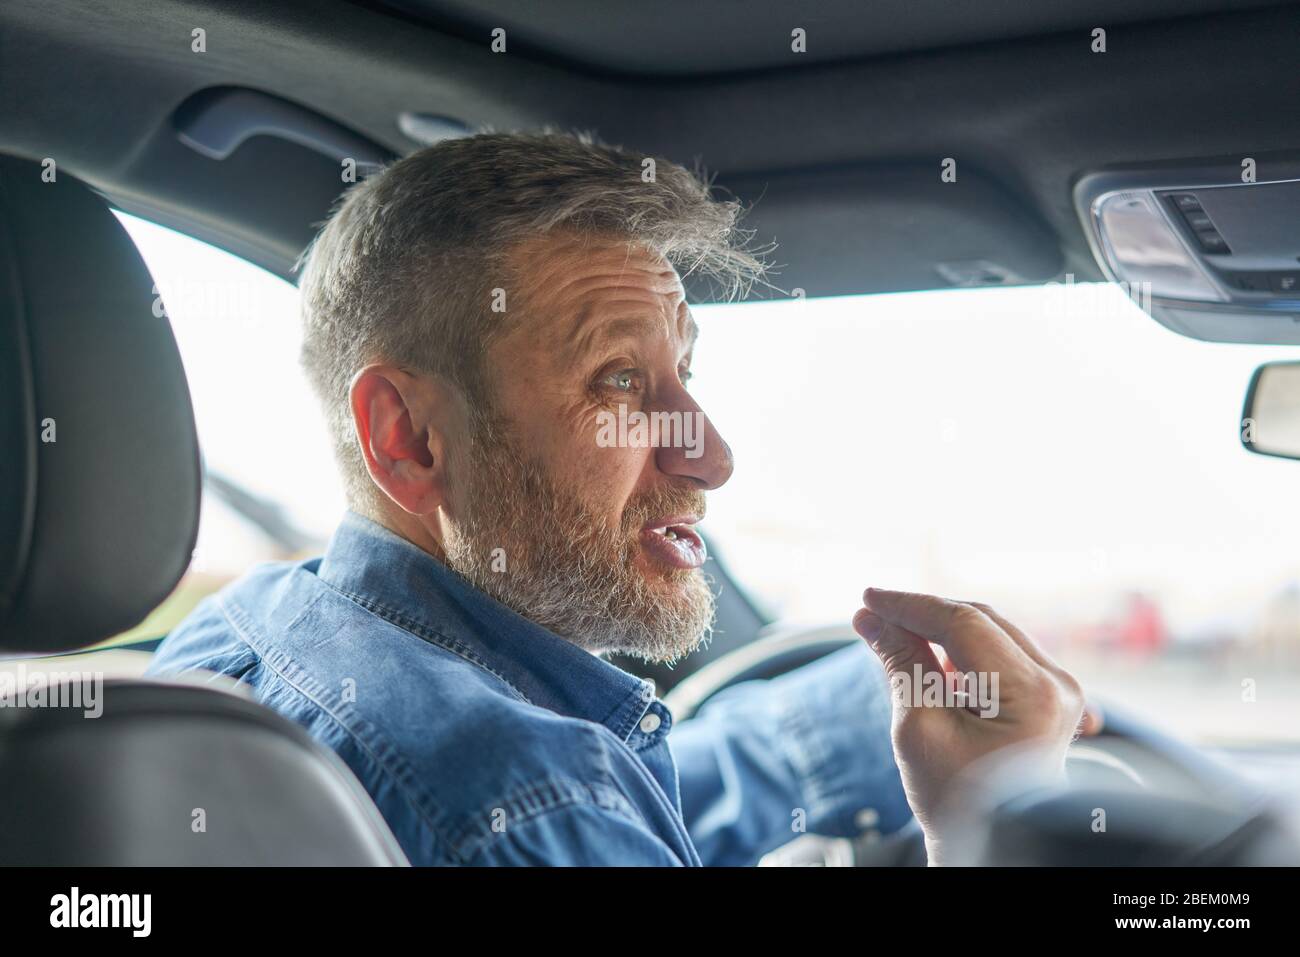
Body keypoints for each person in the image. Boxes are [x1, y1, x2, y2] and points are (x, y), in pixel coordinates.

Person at [147, 131, 1092, 865]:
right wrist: (982, 825)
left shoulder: (243, 635)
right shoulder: (534, 801)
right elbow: (546, 806)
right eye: (620, 384)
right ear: (409, 436)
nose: (710, 456)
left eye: (683, 370)